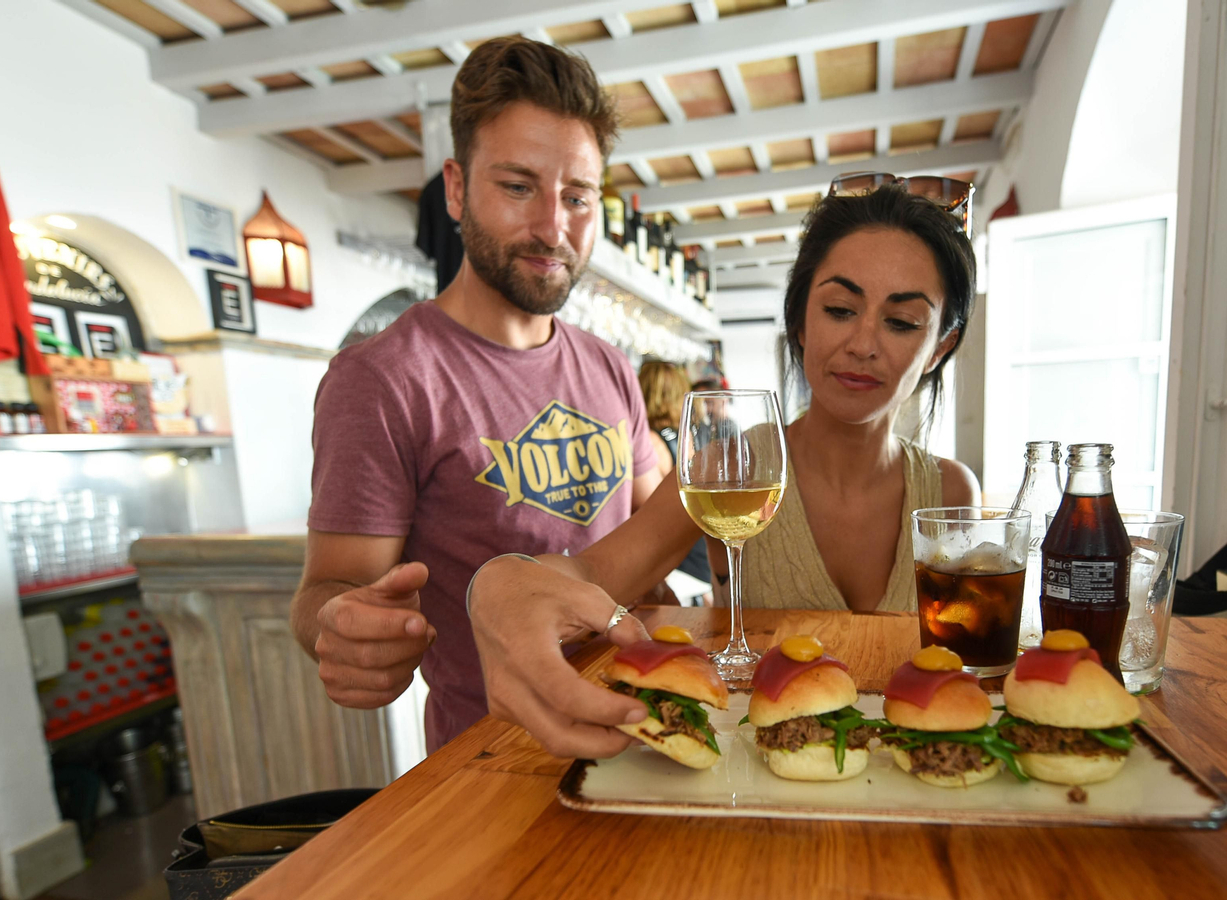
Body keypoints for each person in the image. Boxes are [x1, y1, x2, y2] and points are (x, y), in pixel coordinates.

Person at [467, 184, 980, 758]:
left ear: (941, 346)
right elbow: (590, 571)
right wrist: (502, 582)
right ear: (800, 322)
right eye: (840, 310)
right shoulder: (726, 469)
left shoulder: (952, 492)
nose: (863, 344)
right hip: (755, 776)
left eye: (903, 321)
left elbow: (968, 659)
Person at [289, 37, 662, 750]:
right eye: (518, 187)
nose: (552, 227)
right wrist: (345, 630)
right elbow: (327, 590)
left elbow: (660, 511)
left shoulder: (610, 366)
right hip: (490, 760)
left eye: (577, 197)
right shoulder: (382, 378)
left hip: (638, 732)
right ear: (457, 190)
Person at [637, 360, 713, 586]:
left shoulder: (650, 442)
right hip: (702, 548)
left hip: (677, 561)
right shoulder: (693, 433)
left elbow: (652, 516)